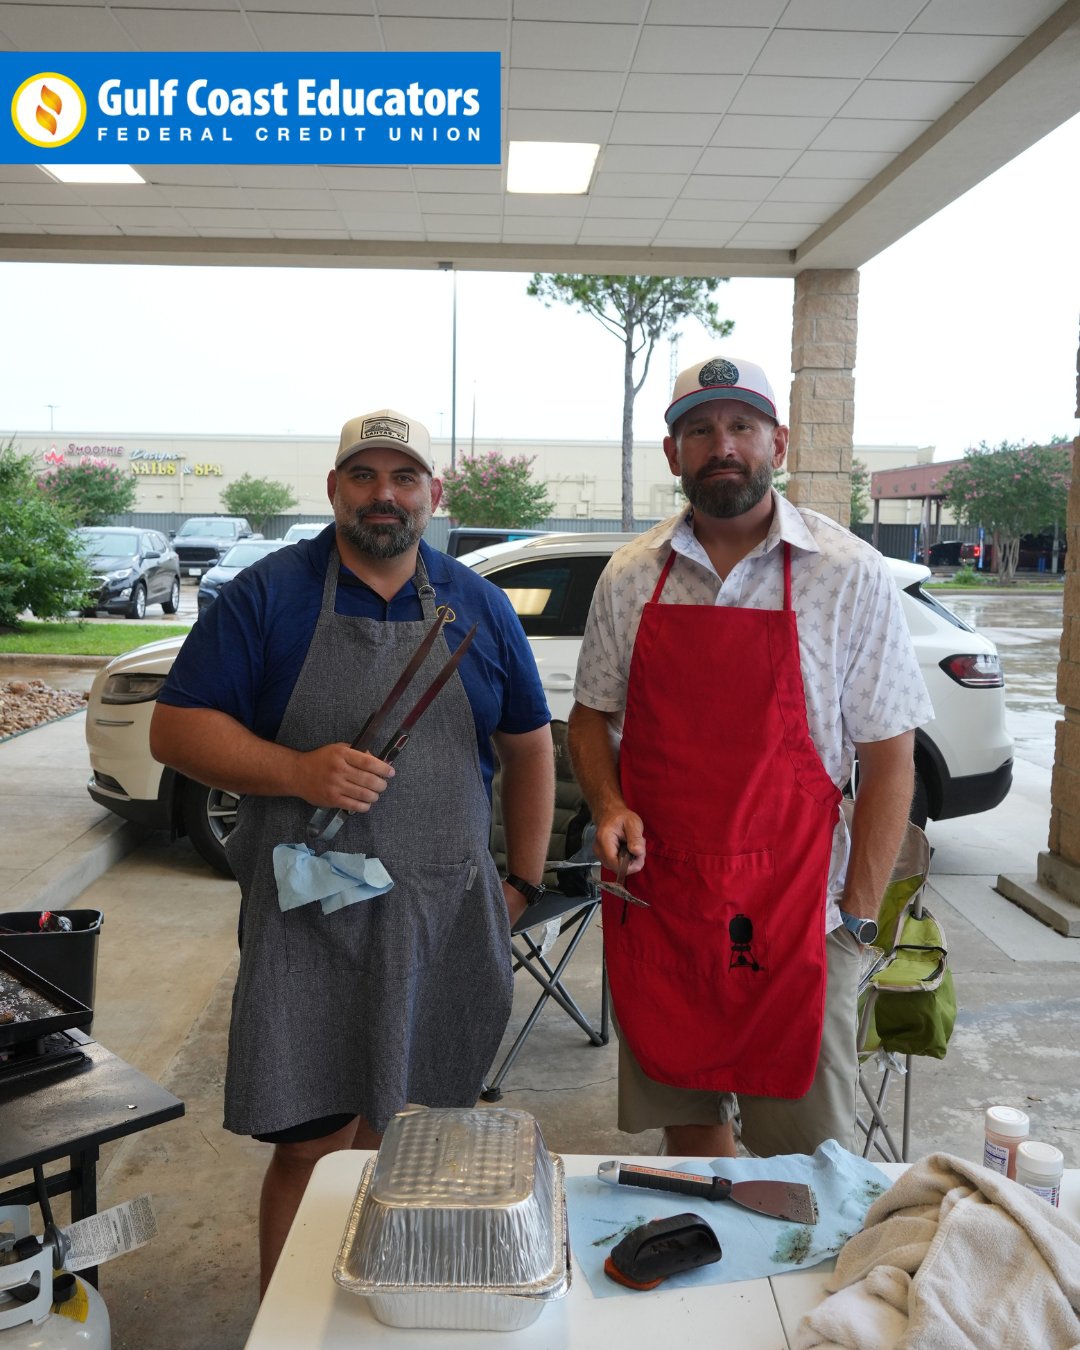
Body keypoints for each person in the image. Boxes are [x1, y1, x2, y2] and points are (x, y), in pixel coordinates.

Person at [149, 408, 554, 1293]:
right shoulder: (267, 595)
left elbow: (529, 747)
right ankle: (292, 1320)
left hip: (439, 921)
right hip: (313, 922)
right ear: (334, 490)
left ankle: (384, 1300)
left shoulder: (477, 607)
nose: (385, 495)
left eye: (404, 478)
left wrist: (520, 879)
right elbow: (175, 730)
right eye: (364, 476)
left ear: (432, 496)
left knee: (408, 1139)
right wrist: (295, 770)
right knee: (313, 1143)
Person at [568, 357, 934, 1162]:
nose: (721, 445)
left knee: (806, 1164)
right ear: (673, 454)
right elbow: (588, 720)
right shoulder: (631, 579)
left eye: (741, 426)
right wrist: (606, 804)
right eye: (699, 429)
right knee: (693, 1136)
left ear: (779, 440)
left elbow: (890, 756)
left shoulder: (847, 573)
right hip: (665, 902)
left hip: (802, 914)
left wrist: (858, 917)